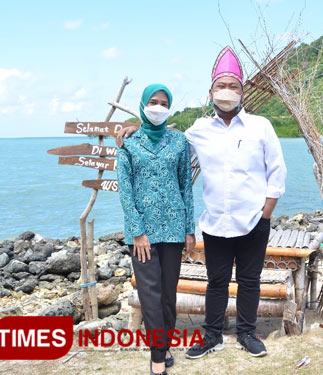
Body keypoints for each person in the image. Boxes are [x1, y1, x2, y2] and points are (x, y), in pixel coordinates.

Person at [117, 46, 287, 359]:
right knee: (216, 281)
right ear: (211, 91)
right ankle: (212, 336)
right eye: (221, 86)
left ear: (242, 91)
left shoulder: (260, 126)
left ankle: (247, 334)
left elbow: (277, 171)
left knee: (250, 280)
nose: (227, 92)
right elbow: (169, 141)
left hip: (253, 220)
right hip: (216, 222)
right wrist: (135, 129)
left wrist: (266, 214)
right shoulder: (198, 130)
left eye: (233, 86)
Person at [117, 84, 195, 375]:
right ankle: (157, 357)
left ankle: (164, 345)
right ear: (143, 104)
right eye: (153, 102)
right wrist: (137, 231)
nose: (159, 107)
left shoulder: (179, 141)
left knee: (167, 294)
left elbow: (186, 186)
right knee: (149, 293)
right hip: (142, 234)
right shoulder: (128, 142)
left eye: (164, 103)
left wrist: (189, 230)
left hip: (174, 229)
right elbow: (125, 191)